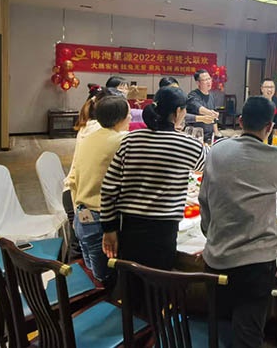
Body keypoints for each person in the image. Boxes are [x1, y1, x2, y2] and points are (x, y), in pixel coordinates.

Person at [199, 96, 277, 348]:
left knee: (221, 325)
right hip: (256, 265)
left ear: (240, 121)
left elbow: (204, 200)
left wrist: (212, 235)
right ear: (270, 127)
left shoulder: (217, 150)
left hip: (217, 259)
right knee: (249, 334)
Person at [100, 87, 207, 272]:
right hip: (164, 230)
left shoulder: (130, 140)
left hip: (129, 227)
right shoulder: (188, 145)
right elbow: (210, 162)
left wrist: (109, 229)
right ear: (178, 112)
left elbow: (109, 187)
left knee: (132, 275)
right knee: (159, 278)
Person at [68, 95, 130, 288]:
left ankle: (89, 290)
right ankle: (100, 300)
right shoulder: (120, 140)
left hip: (81, 216)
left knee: (91, 270)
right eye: (128, 115)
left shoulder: (88, 136)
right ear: (120, 118)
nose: (130, 118)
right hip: (100, 222)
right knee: (104, 279)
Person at [63, 84, 106, 260]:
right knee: (82, 247)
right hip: (78, 196)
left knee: (80, 244)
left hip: (74, 191)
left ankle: (69, 270)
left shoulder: (89, 125)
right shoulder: (98, 130)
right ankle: (71, 273)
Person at [186, 69, 222, 143]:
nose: (208, 82)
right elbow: (198, 107)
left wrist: (216, 133)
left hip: (209, 136)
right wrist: (210, 112)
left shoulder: (211, 96)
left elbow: (214, 119)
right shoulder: (193, 95)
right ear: (198, 82)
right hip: (196, 135)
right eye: (205, 80)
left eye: (209, 79)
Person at [261, 77, 277, 143]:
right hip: (259, 133)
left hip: (270, 132)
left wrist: (275, 132)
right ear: (262, 89)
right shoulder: (257, 102)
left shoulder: (276, 100)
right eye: (267, 87)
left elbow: (276, 118)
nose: (269, 89)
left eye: (272, 87)